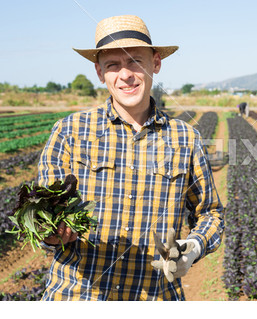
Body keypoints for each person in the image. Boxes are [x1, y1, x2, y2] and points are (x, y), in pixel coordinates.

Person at [38, 15, 224, 301]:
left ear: (156, 63)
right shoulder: (69, 132)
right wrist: (51, 232)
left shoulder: (186, 139)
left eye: (135, 61)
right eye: (113, 65)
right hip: (75, 297)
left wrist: (194, 247)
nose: (125, 74)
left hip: (155, 297)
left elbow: (210, 212)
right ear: (100, 73)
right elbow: (45, 211)